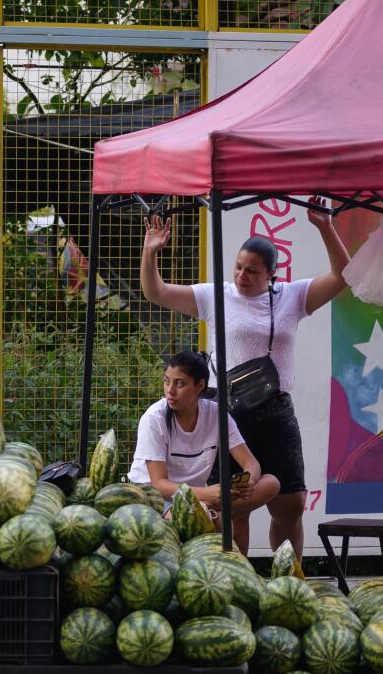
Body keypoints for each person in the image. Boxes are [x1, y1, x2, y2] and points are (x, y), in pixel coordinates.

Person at [139, 200, 350, 561]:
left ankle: (287, 575)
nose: (242, 276)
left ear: (271, 273)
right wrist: (150, 252)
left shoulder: (291, 296)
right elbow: (155, 292)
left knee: (290, 504)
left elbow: (343, 276)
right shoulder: (215, 295)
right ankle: (236, 577)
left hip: (275, 411)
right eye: (238, 267)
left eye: (252, 271)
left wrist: (325, 227)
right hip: (227, 411)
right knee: (233, 505)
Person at [129, 350, 279, 554]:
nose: (170, 390)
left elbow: (251, 464)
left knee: (270, 483)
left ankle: (209, 511)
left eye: (179, 384)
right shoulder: (153, 419)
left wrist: (247, 483)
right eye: (166, 382)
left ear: (199, 386)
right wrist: (205, 493)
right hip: (156, 501)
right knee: (220, 523)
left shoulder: (216, 414)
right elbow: (158, 484)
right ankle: (209, 515)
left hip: (201, 499)